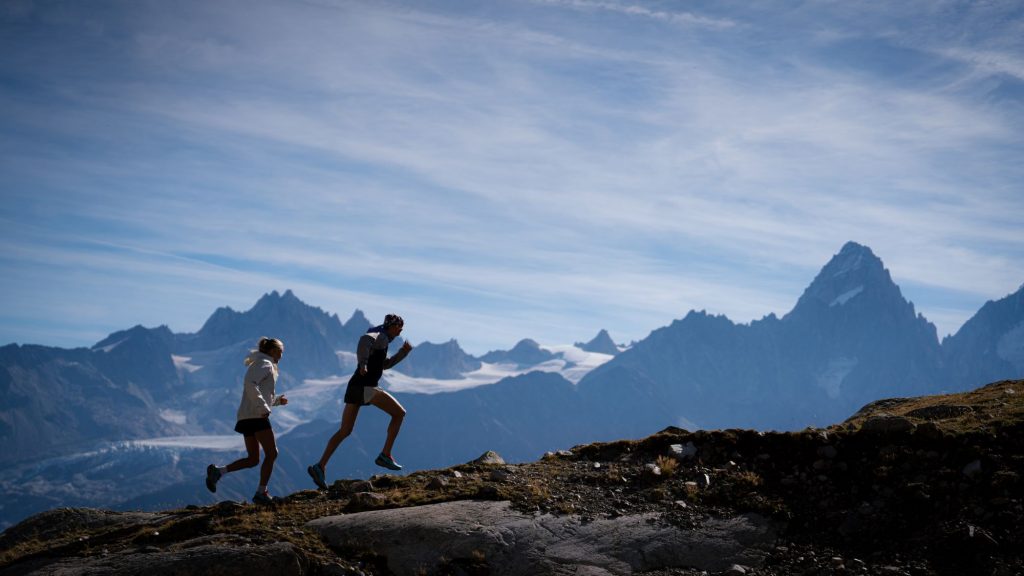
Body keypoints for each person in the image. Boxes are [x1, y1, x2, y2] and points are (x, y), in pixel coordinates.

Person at [307, 314, 413, 490]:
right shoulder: (379, 336)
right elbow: (364, 340)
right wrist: (363, 363)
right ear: (391, 326)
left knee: (345, 430)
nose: (401, 331)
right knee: (399, 413)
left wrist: (403, 353)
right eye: (399, 327)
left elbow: (384, 365)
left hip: (355, 387)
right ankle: (385, 455)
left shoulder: (383, 340)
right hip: (366, 387)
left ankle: (320, 466)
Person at [205, 337, 288, 505]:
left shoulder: (261, 363)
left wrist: (277, 401)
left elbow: (257, 391)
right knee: (272, 453)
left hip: (247, 416)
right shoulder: (265, 364)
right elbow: (250, 384)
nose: (282, 355)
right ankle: (261, 493)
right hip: (256, 415)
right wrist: (263, 408)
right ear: (272, 351)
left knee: (253, 459)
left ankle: (218, 472)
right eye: (280, 351)